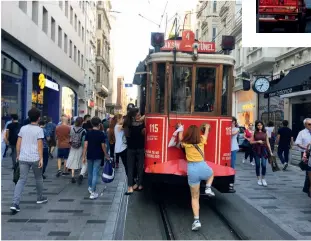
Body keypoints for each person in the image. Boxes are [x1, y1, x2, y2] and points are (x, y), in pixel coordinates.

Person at [178, 123, 215, 231]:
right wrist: (207, 127)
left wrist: (181, 128)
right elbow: (206, 134)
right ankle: (208, 188)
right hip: (202, 166)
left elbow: (180, 138)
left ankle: (197, 221)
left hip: (192, 169)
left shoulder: (185, 143)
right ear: (198, 133)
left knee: (195, 197)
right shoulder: (202, 139)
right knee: (211, 173)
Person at [10, 108, 48, 213]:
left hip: (23, 157)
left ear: (28, 117)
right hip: (35, 157)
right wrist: (41, 158)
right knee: (39, 178)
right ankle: (40, 198)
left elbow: (18, 143)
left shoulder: (23, 128)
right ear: (39, 118)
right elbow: (40, 145)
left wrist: (17, 154)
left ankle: (15, 203)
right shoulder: (39, 130)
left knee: (21, 180)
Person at [82, 117, 110, 199]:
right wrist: (106, 154)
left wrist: (83, 156)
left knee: (90, 173)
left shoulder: (88, 133)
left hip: (89, 155)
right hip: (98, 155)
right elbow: (103, 146)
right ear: (99, 124)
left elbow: (85, 145)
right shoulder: (101, 134)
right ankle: (93, 192)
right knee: (95, 173)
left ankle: (90, 187)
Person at [124, 108, 145, 195]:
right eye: (138, 115)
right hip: (140, 148)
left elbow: (126, 136)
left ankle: (130, 187)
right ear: (133, 116)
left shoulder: (127, 125)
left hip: (130, 149)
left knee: (130, 168)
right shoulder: (142, 125)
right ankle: (139, 185)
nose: (140, 116)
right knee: (140, 167)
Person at [250, 120, 273, 187]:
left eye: (260, 125)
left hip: (264, 149)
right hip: (256, 149)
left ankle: (263, 178)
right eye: (258, 125)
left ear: (262, 125)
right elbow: (251, 142)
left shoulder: (265, 132)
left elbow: (268, 142)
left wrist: (270, 151)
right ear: (256, 126)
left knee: (263, 164)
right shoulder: (254, 132)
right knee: (257, 164)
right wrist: (257, 141)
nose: (259, 126)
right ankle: (258, 179)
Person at [295, 118, 311, 197]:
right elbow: (297, 143)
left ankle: (307, 187)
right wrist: (306, 148)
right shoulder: (302, 133)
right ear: (305, 125)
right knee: (308, 171)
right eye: (309, 124)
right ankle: (308, 188)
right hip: (306, 154)